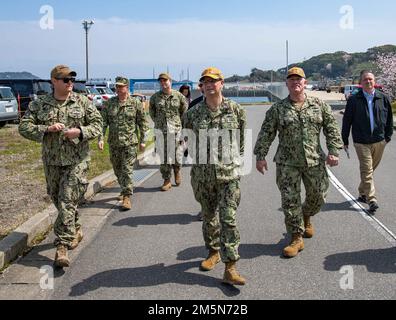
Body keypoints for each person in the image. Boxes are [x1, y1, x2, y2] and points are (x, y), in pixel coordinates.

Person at [18, 65, 103, 267]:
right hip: (52, 162)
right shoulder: (41, 104)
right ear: (54, 81)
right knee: (58, 199)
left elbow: (98, 125)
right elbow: (24, 127)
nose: (70, 83)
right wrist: (46, 128)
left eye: (72, 79)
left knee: (66, 199)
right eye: (65, 80)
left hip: (77, 161)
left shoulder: (82, 101)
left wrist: (80, 132)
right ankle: (76, 228)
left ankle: (62, 247)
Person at [254, 67, 343, 258]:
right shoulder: (278, 109)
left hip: (314, 161)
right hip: (287, 163)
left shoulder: (319, 105)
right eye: (291, 79)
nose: (295, 82)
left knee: (318, 196)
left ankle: (306, 215)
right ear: (287, 84)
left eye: (299, 79)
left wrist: (334, 151)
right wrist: (260, 156)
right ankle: (296, 237)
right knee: (289, 200)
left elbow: (332, 129)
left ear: (305, 83)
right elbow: (266, 134)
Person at [183, 67, 247, 286]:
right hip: (203, 176)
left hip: (229, 175)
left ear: (222, 83)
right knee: (209, 218)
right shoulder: (192, 113)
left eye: (214, 81)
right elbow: (188, 141)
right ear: (201, 86)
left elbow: (240, 141)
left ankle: (231, 267)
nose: (209, 85)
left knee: (228, 220)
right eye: (205, 82)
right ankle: (213, 252)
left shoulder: (236, 110)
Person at [342, 70, 393, 214]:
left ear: (374, 81)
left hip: (379, 141)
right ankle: (372, 199)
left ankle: (362, 192)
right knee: (367, 169)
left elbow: (389, 119)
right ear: (360, 83)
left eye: (370, 79)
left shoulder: (383, 98)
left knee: (370, 170)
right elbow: (347, 121)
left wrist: (387, 136)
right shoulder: (354, 100)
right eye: (365, 80)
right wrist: (345, 139)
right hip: (361, 141)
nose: (368, 82)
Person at [98, 76, 149, 210]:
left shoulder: (135, 103)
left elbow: (143, 123)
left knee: (127, 170)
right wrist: (101, 138)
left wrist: (143, 141)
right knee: (118, 169)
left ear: (127, 88)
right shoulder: (109, 104)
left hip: (130, 143)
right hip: (114, 143)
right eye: (117, 87)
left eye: (121, 86)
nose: (119, 89)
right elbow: (103, 123)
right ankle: (124, 187)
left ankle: (126, 197)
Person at [149, 73, 188, 191]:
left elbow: (184, 111)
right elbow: (152, 112)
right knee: (164, 156)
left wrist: (177, 123)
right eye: (161, 81)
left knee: (177, 154)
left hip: (176, 131)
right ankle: (166, 180)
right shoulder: (155, 97)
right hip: (161, 131)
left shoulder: (179, 96)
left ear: (170, 81)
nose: (163, 83)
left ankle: (177, 171)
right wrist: (159, 123)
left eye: (165, 81)